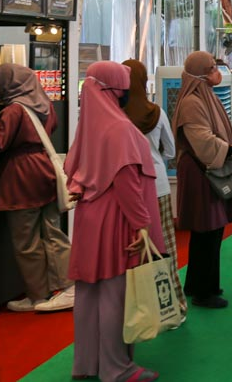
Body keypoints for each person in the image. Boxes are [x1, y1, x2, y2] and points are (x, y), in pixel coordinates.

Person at [65, 61, 166, 382]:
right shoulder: (120, 128)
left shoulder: (89, 126)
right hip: (116, 219)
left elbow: (74, 171)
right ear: (114, 91)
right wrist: (142, 224)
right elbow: (127, 182)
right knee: (114, 294)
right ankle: (116, 367)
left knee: (89, 292)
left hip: (89, 219)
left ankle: (87, 364)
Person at [0, 64, 74, 313]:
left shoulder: (14, 110)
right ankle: (67, 286)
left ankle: (37, 295)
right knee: (53, 232)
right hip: (45, 170)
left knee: (26, 239)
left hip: (21, 176)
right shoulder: (45, 104)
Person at [174, 51, 232, 309]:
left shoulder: (207, 97)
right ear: (202, 73)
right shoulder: (192, 102)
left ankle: (198, 284)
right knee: (207, 229)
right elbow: (202, 139)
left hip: (207, 169)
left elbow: (224, 127)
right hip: (200, 172)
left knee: (210, 230)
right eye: (213, 68)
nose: (217, 72)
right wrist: (229, 150)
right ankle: (204, 291)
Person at [122, 59, 187, 319]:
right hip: (157, 185)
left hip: (126, 189)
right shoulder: (157, 112)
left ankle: (136, 309)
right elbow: (171, 150)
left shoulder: (116, 114)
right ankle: (175, 306)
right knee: (164, 247)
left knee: (130, 249)